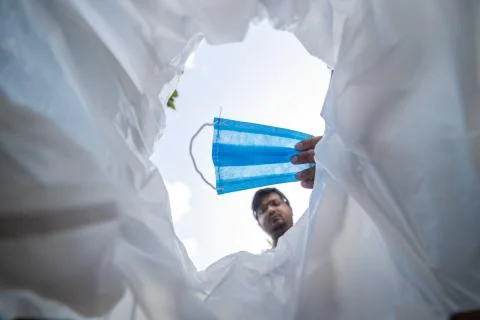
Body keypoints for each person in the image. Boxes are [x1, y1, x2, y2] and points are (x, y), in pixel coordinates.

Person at [251, 136, 321, 247]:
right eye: (262, 210)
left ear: (290, 207)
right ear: (259, 224)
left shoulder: (321, 237)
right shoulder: (257, 264)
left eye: (276, 203)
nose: (271, 210)